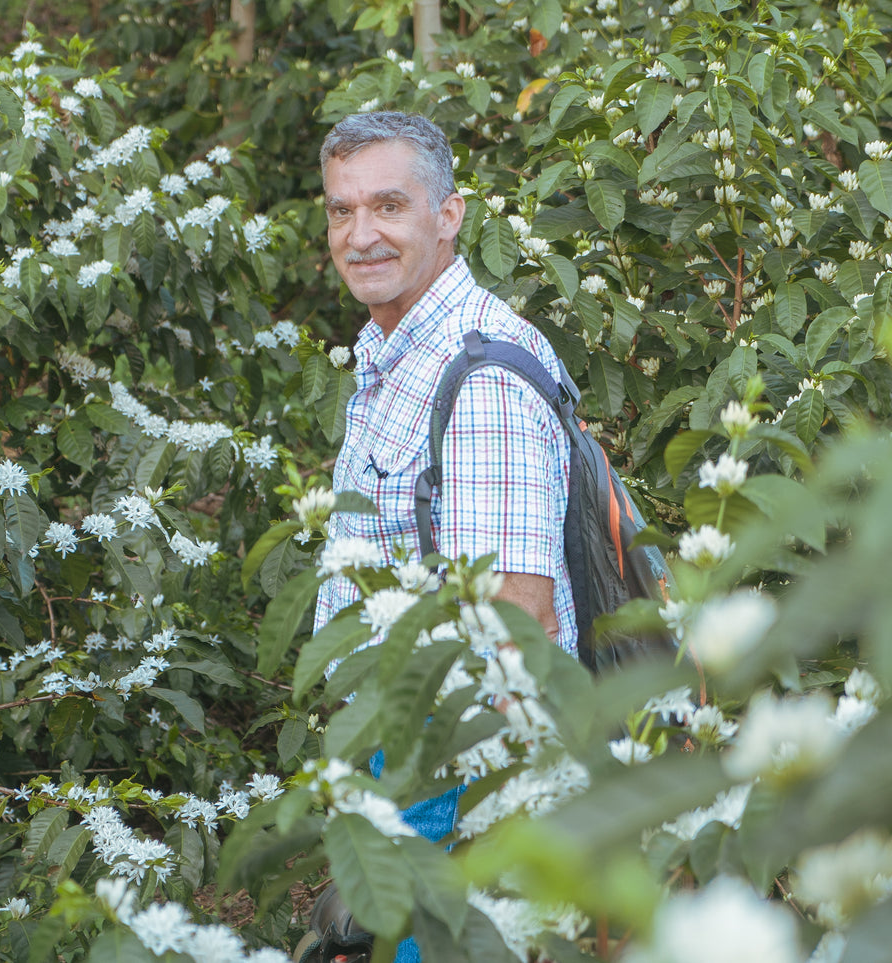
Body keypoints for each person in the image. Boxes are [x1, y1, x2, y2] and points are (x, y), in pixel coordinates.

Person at [311, 111, 576, 962]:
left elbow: (516, 632)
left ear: (449, 214)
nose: (361, 235)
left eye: (388, 206)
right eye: (340, 210)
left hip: (453, 780)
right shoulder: (392, 355)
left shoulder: (479, 377)